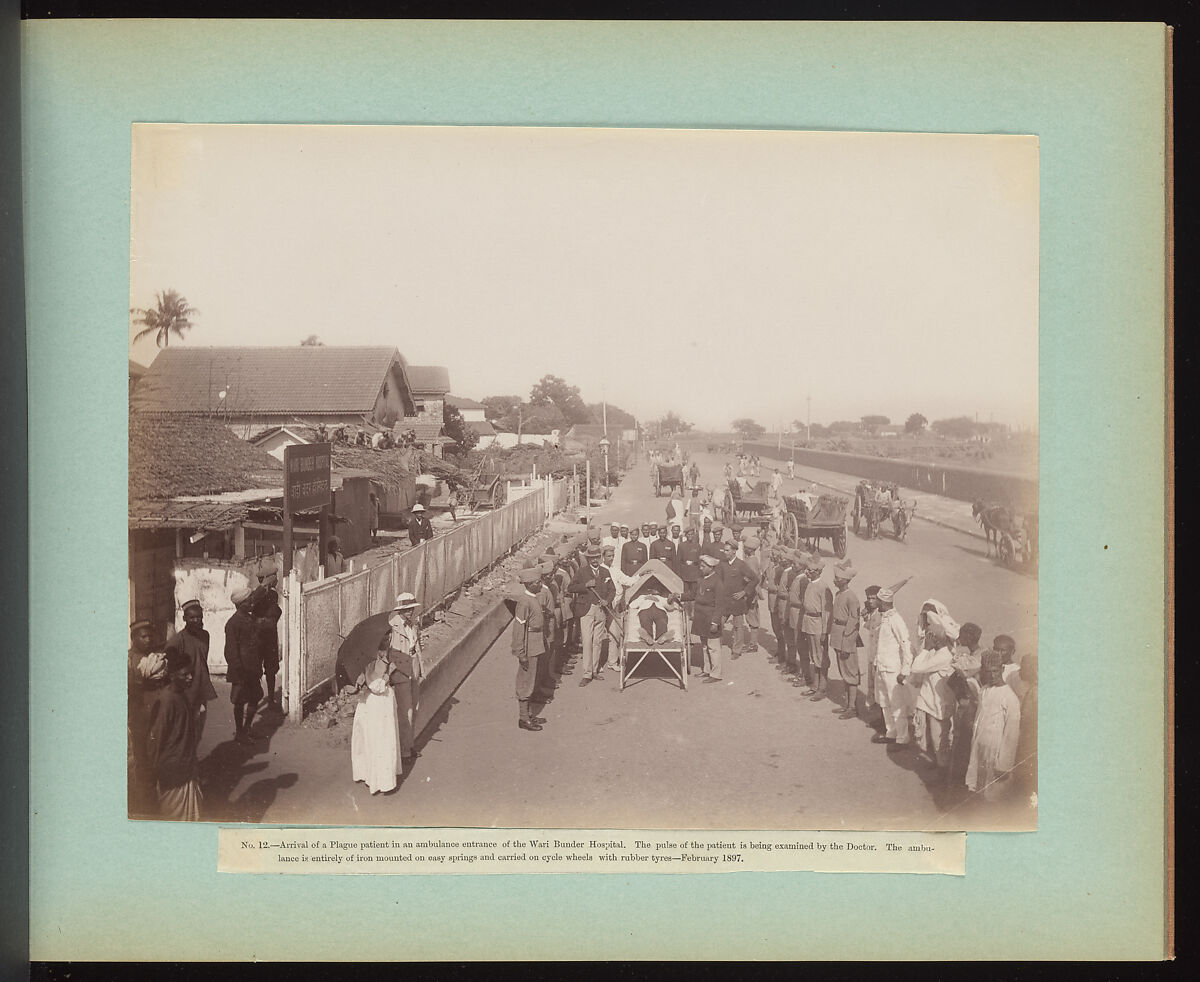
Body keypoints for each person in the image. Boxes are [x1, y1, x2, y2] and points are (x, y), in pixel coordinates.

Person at [145, 646, 204, 820]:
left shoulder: (181, 696)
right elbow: (155, 740)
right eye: (185, 675)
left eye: (191, 673)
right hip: (172, 772)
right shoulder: (166, 701)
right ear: (172, 676)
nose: (190, 678)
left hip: (186, 768)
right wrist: (151, 772)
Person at [966, 649, 1022, 801]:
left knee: (995, 794)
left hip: (997, 753)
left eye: (996, 671)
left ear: (1002, 669)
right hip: (981, 748)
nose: (992, 676)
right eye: (988, 672)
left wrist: (1004, 765)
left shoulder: (1010, 698)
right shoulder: (984, 690)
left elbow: (1011, 735)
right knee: (980, 789)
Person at [909, 610, 959, 778]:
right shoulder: (936, 652)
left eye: (930, 636)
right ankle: (939, 765)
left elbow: (916, 667)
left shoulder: (942, 656)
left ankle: (943, 773)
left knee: (940, 741)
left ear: (936, 639)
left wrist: (925, 650)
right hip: (930, 703)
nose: (927, 638)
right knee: (931, 737)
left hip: (940, 705)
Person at [350, 637, 403, 794]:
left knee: (376, 739)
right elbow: (377, 688)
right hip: (378, 706)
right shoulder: (376, 664)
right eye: (388, 650)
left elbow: (362, 681)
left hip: (379, 705)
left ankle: (371, 774)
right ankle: (380, 781)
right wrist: (388, 674)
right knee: (380, 740)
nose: (389, 653)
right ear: (381, 652)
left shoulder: (372, 663)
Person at [166, 599, 217, 742]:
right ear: (184, 619)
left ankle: (193, 760)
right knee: (186, 729)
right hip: (187, 691)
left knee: (199, 728)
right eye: (192, 617)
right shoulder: (177, 641)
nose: (196, 620)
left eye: (199, 617)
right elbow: (169, 664)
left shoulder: (205, 635)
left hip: (201, 688)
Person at [128, 619, 162, 817]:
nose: (148, 639)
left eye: (150, 635)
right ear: (134, 638)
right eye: (143, 636)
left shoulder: (149, 657)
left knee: (152, 756)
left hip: (151, 714)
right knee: (143, 760)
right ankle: (145, 806)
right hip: (140, 716)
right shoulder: (131, 660)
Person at [872, 587, 914, 749]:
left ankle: (902, 738)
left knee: (897, 704)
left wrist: (905, 671)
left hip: (892, 670)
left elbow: (906, 645)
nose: (875, 603)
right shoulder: (882, 617)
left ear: (883, 602)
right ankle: (891, 733)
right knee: (884, 702)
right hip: (881, 667)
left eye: (877, 600)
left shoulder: (896, 620)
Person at [568, 545, 616, 686]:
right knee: (587, 641)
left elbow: (612, 590)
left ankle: (594, 670)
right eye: (592, 557)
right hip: (586, 611)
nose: (595, 560)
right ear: (588, 558)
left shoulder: (605, 572)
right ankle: (586, 674)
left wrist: (607, 600)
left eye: (597, 557)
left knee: (597, 642)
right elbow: (570, 587)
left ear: (600, 557)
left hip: (601, 610)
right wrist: (585, 585)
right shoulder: (582, 572)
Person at [386, 592, 423, 763]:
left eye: (412, 609)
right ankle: (404, 751)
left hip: (413, 668)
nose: (410, 612)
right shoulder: (392, 627)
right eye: (406, 609)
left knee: (414, 709)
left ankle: (409, 744)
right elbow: (390, 654)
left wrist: (421, 669)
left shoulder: (413, 625)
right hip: (401, 671)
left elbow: (418, 647)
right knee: (405, 711)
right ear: (400, 610)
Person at [512, 566, 550, 731]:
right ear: (528, 584)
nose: (540, 584)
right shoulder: (524, 602)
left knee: (532, 680)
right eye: (536, 582)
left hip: (536, 644)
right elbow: (519, 629)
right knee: (525, 682)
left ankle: (528, 715)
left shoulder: (533, 598)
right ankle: (523, 718)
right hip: (529, 648)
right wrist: (521, 653)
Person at [224, 587, 262, 745]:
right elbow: (230, 651)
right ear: (240, 604)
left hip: (253, 668)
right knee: (239, 701)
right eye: (248, 601)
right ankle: (240, 732)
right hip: (241, 670)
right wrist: (238, 670)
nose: (251, 602)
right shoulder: (233, 623)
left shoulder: (250, 619)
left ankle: (246, 729)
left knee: (255, 697)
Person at [828, 561, 863, 719]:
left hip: (846, 639)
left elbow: (854, 624)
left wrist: (847, 645)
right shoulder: (838, 594)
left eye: (838, 578)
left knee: (850, 673)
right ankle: (848, 704)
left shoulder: (852, 598)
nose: (835, 580)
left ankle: (852, 707)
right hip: (837, 636)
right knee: (844, 671)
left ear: (845, 580)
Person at [717, 540, 758, 657]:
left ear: (734, 551)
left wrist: (744, 592)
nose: (724, 552)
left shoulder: (741, 565)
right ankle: (716, 647)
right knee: (719, 623)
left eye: (727, 550)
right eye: (724, 550)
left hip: (737, 601)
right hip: (724, 601)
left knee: (738, 627)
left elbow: (755, 579)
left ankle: (736, 650)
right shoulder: (722, 564)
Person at [799, 557, 833, 699]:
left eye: (811, 570)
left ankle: (822, 689)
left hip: (819, 625)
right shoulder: (809, 584)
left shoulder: (823, 587)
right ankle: (815, 685)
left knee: (821, 658)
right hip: (809, 623)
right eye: (807, 569)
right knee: (814, 656)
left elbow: (827, 612)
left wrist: (825, 631)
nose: (807, 572)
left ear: (818, 571)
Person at [694, 554, 724, 681]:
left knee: (713, 647)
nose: (701, 568)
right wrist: (678, 596)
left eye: (703, 566)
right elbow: (692, 594)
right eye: (700, 566)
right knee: (705, 646)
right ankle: (707, 670)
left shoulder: (717, 582)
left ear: (711, 567)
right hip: (701, 618)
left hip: (711, 618)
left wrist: (715, 622)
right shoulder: (701, 579)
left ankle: (716, 674)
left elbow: (720, 605)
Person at [1013, 654, 1038, 803]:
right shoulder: (1033, 689)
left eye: (1024, 667)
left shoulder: (1035, 692)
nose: (1021, 670)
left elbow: (1027, 720)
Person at [740, 536, 765, 653]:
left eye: (746, 547)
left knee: (752, 618)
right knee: (751, 617)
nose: (744, 548)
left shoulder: (751, 561)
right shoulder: (752, 559)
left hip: (751, 593)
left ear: (750, 549)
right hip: (752, 592)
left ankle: (753, 644)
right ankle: (752, 643)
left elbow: (752, 579)